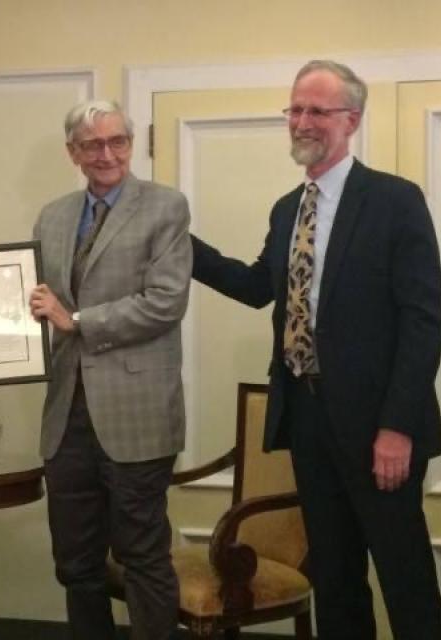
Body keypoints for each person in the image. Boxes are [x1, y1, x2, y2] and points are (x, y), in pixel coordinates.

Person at [191, 59, 441, 639]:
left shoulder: (394, 200)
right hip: (306, 419)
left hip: (380, 430)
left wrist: (398, 427)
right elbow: (258, 287)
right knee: (334, 575)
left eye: (317, 111)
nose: (302, 121)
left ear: (350, 120)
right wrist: (180, 245)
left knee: (404, 576)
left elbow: (425, 320)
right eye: (295, 109)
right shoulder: (288, 209)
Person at [0, 99, 192, 639]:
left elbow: (165, 302)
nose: (107, 154)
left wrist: (77, 319)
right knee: (75, 563)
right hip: (68, 419)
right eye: (93, 145)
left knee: (143, 558)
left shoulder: (165, 207)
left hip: (137, 416)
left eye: (117, 142)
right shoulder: (53, 215)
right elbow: (34, 302)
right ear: (73, 153)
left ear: (130, 144)